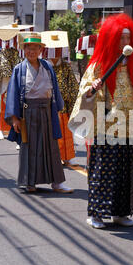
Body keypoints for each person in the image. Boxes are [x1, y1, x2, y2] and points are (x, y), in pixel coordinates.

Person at [69, 13, 133, 229]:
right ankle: (96, 213)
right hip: (105, 126)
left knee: (125, 173)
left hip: (128, 127)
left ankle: (121, 212)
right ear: (112, 39)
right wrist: (92, 88)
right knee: (102, 170)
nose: (126, 43)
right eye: (121, 38)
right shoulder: (100, 64)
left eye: (128, 39)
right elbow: (85, 92)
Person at [5, 33, 73, 194]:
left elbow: (55, 91)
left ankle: (57, 183)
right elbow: (13, 93)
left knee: (51, 147)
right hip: (28, 113)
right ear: (24, 50)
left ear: (41, 50)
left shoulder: (47, 67)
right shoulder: (19, 69)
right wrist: (14, 118)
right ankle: (30, 182)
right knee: (29, 147)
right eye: (29, 48)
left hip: (47, 111)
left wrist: (56, 110)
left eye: (35, 48)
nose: (32, 51)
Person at [48, 34, 80, 166]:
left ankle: (67, 156)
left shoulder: (66, 66)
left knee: (65, 132)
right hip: (47, 105)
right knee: (49, 134)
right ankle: (51, 157)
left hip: (63, 106)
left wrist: (72, 102)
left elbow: (73, 85)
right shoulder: (43, 65)